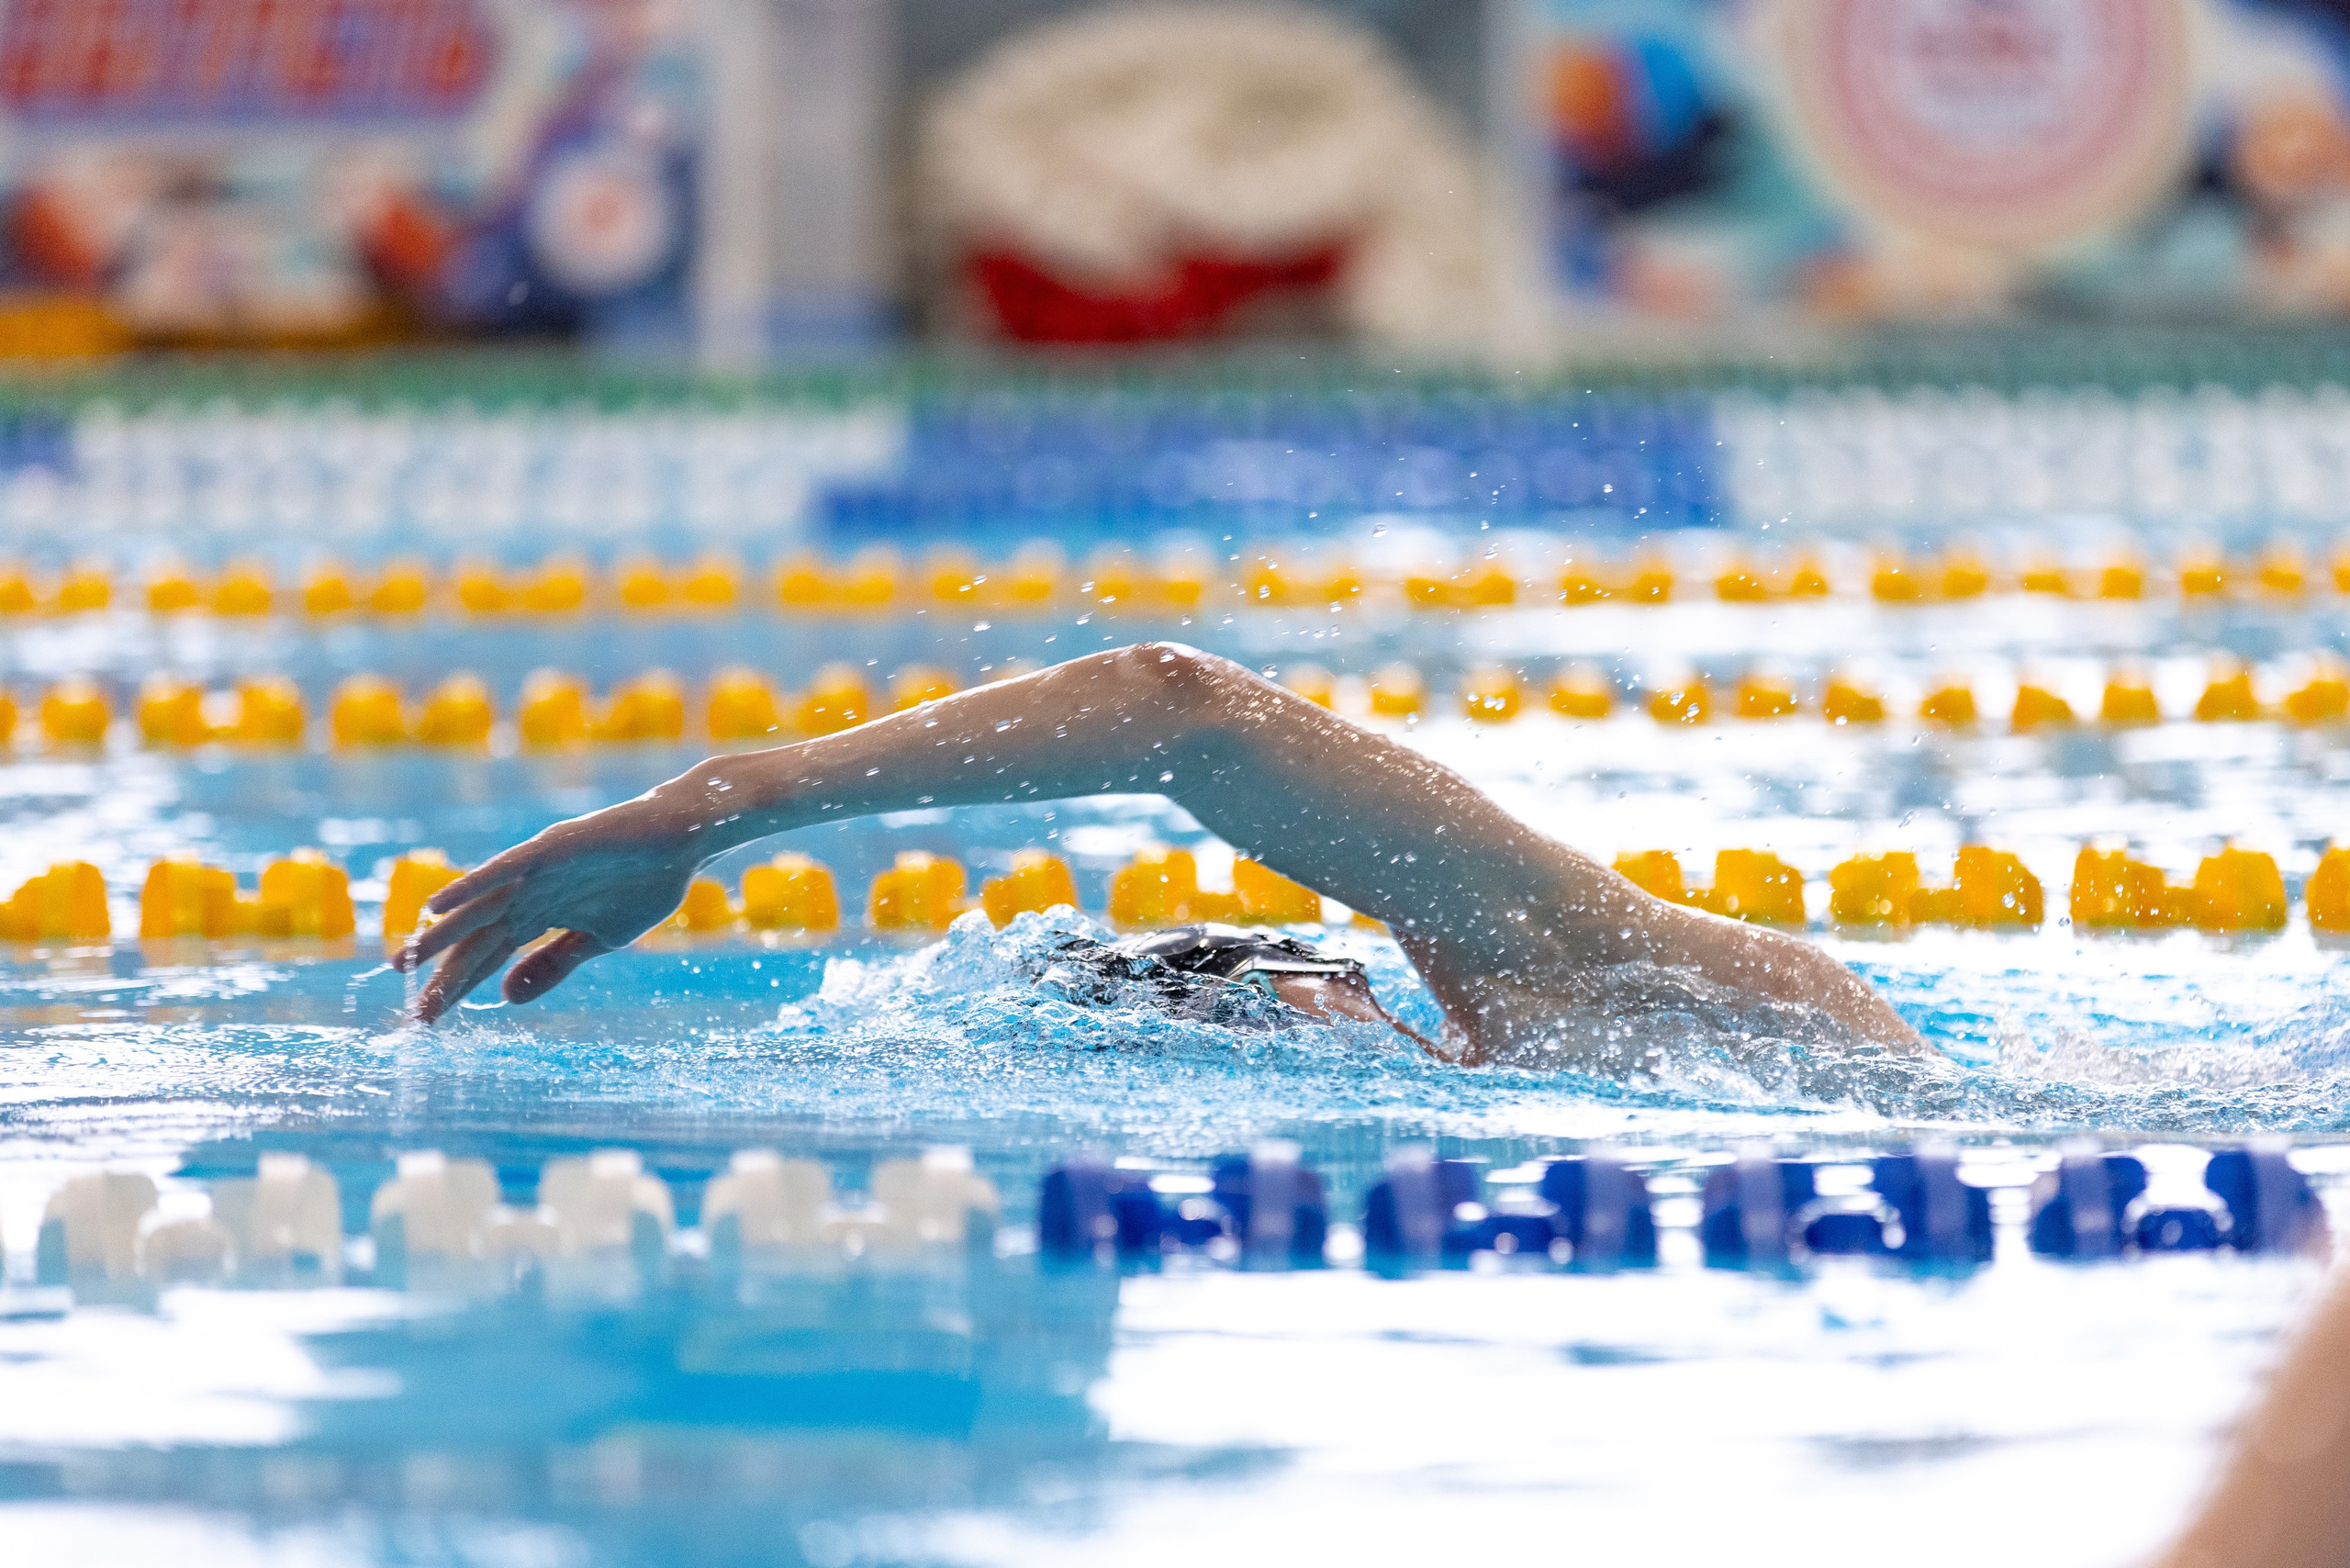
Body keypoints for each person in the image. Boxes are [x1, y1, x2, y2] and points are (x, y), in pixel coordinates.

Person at [398, 643, 1919, 1062]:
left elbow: (1175, 704)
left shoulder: (1542, 988)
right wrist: (715, 811)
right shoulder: (1554, 994)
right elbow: (1177, 710)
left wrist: (721, 803)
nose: (1327, 972)